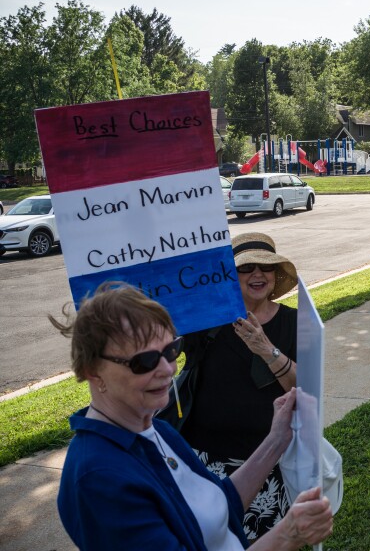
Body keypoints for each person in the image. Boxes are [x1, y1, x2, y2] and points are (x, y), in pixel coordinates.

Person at [51, 282, 333, 551]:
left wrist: (276, 440)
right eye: (145, 361)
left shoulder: (155, 428)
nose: (167, 370)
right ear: (92, 370)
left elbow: (218, 503)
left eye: (171, 350)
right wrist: (287, 536)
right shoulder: (100, 478)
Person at [165, 232, 301, 541]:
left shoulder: (294, 321)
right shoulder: (207, 320)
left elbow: (303, 387)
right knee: (210, 541)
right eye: (246, 267)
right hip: (204, 459)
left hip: (266, 459)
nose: (257, 274)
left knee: (264, 542)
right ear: (229, 274)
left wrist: (266, 349)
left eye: (265, 267)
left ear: (275, 274)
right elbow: (165, 343)